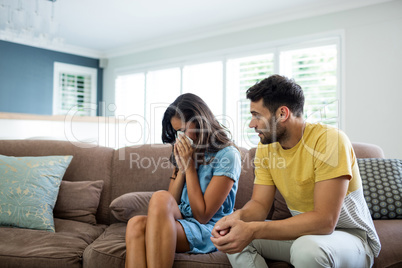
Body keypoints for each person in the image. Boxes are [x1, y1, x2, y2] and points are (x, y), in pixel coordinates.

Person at [211, 75, 380, 268]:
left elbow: (325, 221)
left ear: (282, 114)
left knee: (307, 248)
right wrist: (236, 219)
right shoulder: (266, 148)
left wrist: (254, 229)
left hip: (351, 238)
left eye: (257, 115)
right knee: (234, 240)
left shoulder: (329, 140)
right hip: (305, 236)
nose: (252, 124)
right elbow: (259, 204)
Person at [125, 93, 241, 268]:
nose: (181, 137)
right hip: (183, 220)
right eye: (177, 131)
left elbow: (202, 216)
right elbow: (170, 203)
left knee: (155, 205)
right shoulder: (187, 149)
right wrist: (181, 168)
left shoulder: (228, 155)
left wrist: (190, 167)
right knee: (137, 221)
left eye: (184, 129)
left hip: (210, 227)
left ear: (201, 122)